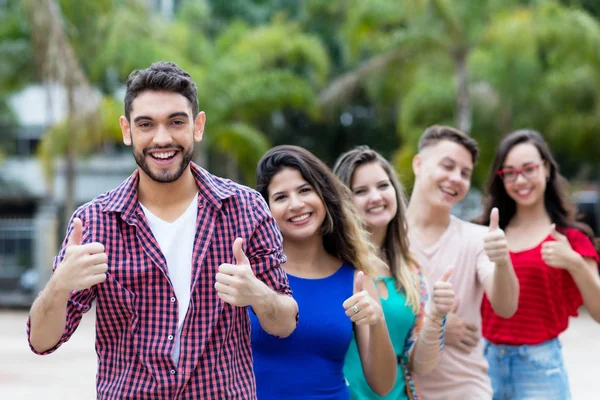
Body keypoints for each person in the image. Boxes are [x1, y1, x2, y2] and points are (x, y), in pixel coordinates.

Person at [26, 62, 298, 400]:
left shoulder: (246, 208)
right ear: (127, 131)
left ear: (198, 126)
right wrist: (59, 285)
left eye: (176, 122)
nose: (162, 138)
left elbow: (284, 323)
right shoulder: (95, 222)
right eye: (146, 124)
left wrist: (256, 293)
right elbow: (41, 340)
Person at [251, 145, 397, 399]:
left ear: (324, 195)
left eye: (305, 190)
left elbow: (383, 385)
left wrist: (377, 321)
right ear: (266, 210)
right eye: (281, 197)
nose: (296, 204)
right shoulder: (252, 274)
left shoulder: (356, 280)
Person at [479, 129, 600, 400]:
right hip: (483, 365)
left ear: (546, 168)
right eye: (509, 172)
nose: (520, 180)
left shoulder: (571, 238)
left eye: (529, 169)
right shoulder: (486, 233)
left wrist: (575, 263)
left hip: (540, 368)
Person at [406, 125, 520, 399]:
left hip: (466, 390)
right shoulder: (386, 238)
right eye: (447, 166)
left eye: (465, 173)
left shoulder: (477, 238)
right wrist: (437, 324)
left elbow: (505, 307)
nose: (455, 178)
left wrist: (502, 261)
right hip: (403, 390)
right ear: (418, 164)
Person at [333, 146, 456, 400]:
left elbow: (419, 364)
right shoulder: (333, 267)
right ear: (344, 200)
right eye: (361, 191)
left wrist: (436, 317)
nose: (376, 197)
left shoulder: (411, 272)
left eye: (383, 185)